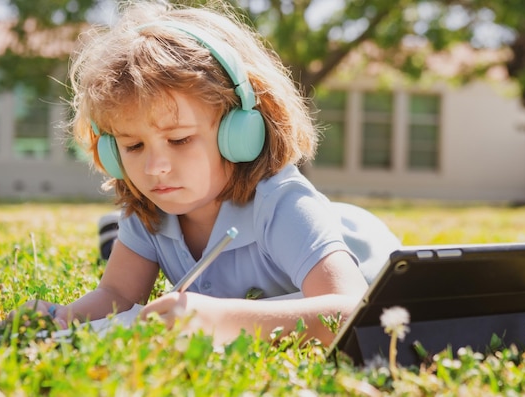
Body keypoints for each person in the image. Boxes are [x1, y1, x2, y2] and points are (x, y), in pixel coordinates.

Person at [21, 0, 401, 345]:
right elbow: (118, 295)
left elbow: (350, 312)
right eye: (133, 146)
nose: (155, 168)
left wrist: (220, 318)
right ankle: (114, 235)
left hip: (355, 239)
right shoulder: (149, 209)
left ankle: (111, 237)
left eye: (181, 140)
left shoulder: (284, 207)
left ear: (241, 132)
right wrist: (57, 318)